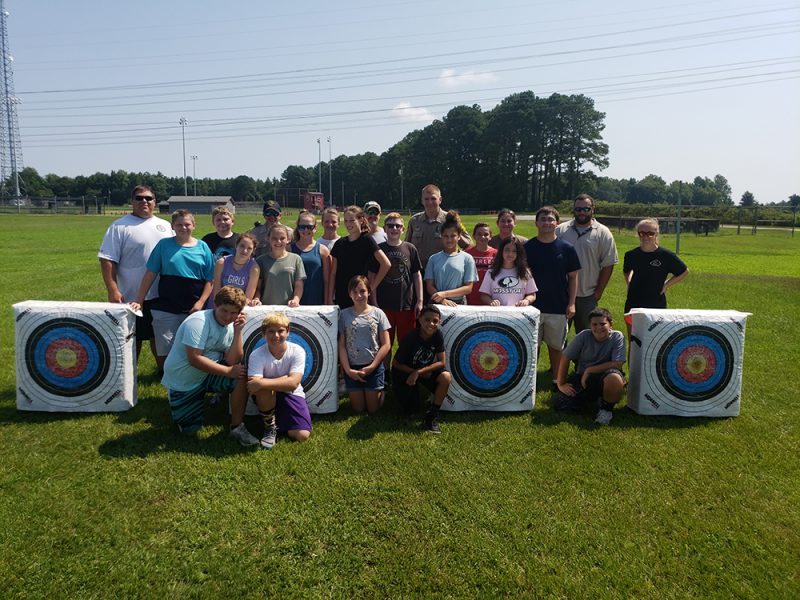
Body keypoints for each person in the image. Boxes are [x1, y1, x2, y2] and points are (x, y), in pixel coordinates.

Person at [160, 285, 258, 445]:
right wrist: (227, 371)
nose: (228, 317)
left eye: (233, 313)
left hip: (208, 373)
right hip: (183, 380)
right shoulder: (198, 321)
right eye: (224, 310)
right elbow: (194, 359)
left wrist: (239, 331)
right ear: (215, 305)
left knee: (240, 374)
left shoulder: (231, 326)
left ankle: (237, 427)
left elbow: (233, 360)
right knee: (189, 431)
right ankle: (180, 398)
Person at [132, 209, 215, 371]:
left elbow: (210, 280)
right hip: (166, 306)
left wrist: (200, 302)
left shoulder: (203, 247)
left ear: (194, 225)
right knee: (165, 350)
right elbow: (150, 273)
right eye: (179, 224)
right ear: (172, 226)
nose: (183, 228)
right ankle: (169, 381)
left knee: (194, 349)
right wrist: (139, 299)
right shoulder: (163, 245)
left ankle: (189, 383)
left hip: (193, 308)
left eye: (187, 224)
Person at [98, 185, 172, 363]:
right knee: (132, 336)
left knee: (159, 335)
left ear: (154, 202)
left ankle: (162, 372)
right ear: (132, 201)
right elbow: (107, 259)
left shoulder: (165, 225)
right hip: (131, 294)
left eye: (148, 198)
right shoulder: (119, 226)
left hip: (161, 294)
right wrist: (112, 289)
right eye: (139, 198)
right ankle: (129, 372)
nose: (144, 201)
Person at [524, 206, 581, 383]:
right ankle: (528, 380)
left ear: (557, 222)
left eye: (550, 219)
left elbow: (573, 277)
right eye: (543, 219)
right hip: (532, 306)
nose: (547, 223)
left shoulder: (567, 248)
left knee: (556, 347)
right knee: (532, 346)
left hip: (558, 305)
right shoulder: (528, 247)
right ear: (536, 223)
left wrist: (571, 303)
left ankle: (557, 381)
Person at [246, 312, 312, 449]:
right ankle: (270, 427)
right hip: (268, 394)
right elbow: (254, 386)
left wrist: (263, 382)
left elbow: (293, 384)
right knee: (263, 390)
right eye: (271, 331)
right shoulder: (257, 355)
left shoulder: (297, 350)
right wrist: (284, 379)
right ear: (263, 333)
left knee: (302, 435)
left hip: (291, 393)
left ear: (288, 331)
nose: (276, 336)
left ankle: (277, 419)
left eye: (280, 331)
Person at [555, 194, 618, 334]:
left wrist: (598, 292)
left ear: (592, 210)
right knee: (559, 338)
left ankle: (581, 358)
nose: (582, 212)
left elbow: (608, 264)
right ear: (573, 210)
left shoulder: (603, 232)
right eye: (578, 209)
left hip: (587, 295)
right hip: (562, 294)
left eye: (586, 209)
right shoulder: (561, 230)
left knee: (587, 337)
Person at [369, 212, 423, 371]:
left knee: (406, 343)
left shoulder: (409, 248)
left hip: (406, 305)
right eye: (390, 225)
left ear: (403, 228)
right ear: (384, 229)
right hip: (384, 305)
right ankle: (386, 375)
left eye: (397, 226)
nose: (394, 228)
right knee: (385, 343)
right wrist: (374, 301)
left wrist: (419, 300)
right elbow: (371, 277)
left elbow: (416, 275)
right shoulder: (379, 249)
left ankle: (403, 373)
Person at [553, 307, 626, 426]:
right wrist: (561, 384)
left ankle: (606, 410)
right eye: (594, 324)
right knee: (563, 405)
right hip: (583, 378)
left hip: (607, 375)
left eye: (603, 324)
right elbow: (565, 357)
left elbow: (618, 364)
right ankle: (596, 399)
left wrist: (590, 370)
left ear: (611, 325)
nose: (598, 328)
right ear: (590, 325)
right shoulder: (583, 336)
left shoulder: (617, 337)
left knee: (614, 378)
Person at [623, 218, 689, 341]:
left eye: (650, 233)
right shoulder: (631, 255)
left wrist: (666, 285)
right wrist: (629, 283)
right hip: (633, 302)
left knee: (655, 342)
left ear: (656, 234)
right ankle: (633, 361)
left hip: (656, 303)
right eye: (642, 233)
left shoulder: (666, 256)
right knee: (634, 341)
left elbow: (684, 271)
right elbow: (627, 271)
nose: (645, 237)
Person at [391, 304, 452, 434]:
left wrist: (418, 372)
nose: (431, 324)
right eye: (427, 320)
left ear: (439, 322)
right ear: (419, 319)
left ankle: (432, 416)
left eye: (435, 321)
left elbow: (442, 361)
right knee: (412, 411)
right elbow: (396, 363)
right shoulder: (411, 337)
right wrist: (413, 373)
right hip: (404, 372)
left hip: (422, 372)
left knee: (446, 377)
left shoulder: (437, 335)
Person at [338, 275, 391, 414]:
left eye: (362, 291)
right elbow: (341, 345)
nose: (359, 295)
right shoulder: (343, 315)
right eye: (354, 292)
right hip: (353, 368)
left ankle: (382, 391)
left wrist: (373, 366)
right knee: (358, 409)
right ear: (349, 294)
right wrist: (348, 370)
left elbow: (386, 344)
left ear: (369, 292)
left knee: (373, 410)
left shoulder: (379, 313)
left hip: (373, 366)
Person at [329, 205, 390, 308]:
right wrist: (330, 298)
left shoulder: (367, 240)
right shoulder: (339, 243)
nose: (348, 224)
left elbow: (386, 264)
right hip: (342, 295)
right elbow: (333, 274)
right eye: (346, 221)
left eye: (352, 220)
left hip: (359, 296)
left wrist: (371, 287)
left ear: (361, 220)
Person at [405, 184, 472, 268]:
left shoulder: (450, 219)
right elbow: (406, 247)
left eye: (433, 198)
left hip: (442, 270)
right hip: (419, 271)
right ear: (422, 201)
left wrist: (453, 225)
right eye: (426, 199)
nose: (430, 202)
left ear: (440, 200)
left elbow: (468, 244)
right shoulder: (414, 221)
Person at [424, 211, 478, 306]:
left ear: (459, 237)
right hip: (437, 302)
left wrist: (444, 294)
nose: (449, 240)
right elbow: (429, 286)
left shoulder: (467, 259)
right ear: (441, 236)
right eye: (446, 236)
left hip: (458, 304)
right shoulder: (433, 258)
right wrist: (442, 300)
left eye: (453, 236)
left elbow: (468, 288)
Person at [256, 224, 305, 307]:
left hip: (288, 308)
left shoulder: (296, 259)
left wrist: (296, 300)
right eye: (274, 238)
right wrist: (256, 299)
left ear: (288, 239)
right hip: (265, 308)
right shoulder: (261, 260)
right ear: (268, 239)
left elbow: (299, 285)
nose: (278, 241)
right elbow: (257, 287)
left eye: (282, 238)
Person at [479, 237, 537, 307]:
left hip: (518, 314)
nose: (510, 254)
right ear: (501, 251)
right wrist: (491, 301)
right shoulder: (491, 272)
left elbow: (532, 294)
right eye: (507, 250)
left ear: (518, 253)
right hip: (497, 313)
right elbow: (484, 295)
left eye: (514, 251)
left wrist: (526, 300)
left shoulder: (525, 272)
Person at [290, 210, 330, 306]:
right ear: (298, 228)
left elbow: (326, 281)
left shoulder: (323, 250)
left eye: (309, 227)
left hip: (316, 300)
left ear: (315, 228)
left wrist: (326, 303)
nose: (306, 230)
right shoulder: (289, 249)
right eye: (302, 227)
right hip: (293, 302)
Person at [211, 232, 261, 307]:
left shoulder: (254, 268)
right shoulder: (221, 263)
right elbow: (216, 289)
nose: (245, 251)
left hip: (238, 307)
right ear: (236, 245)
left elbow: (247, 298)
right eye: (242, 246)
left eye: (249, 248)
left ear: (253, 250)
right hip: (217, 304)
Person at [464, 222, 497, 306]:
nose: (482, 237)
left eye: (486, 234)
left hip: (490, 299)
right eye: (479, 234)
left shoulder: (496, 254)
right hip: (471, 297)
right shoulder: (467, 254)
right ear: (474, 236)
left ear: (490, 237)